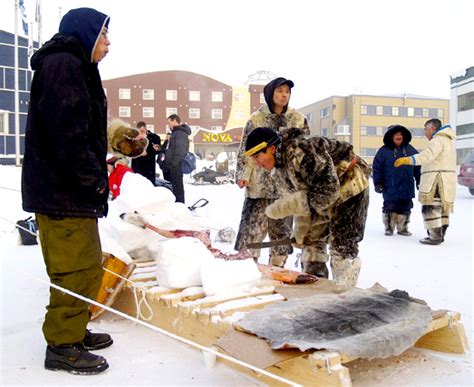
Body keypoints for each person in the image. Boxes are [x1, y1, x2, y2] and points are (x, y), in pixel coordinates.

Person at [21, 7, 114, 375]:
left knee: (87, 266)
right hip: (63, 193)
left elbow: (83, 127)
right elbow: (66, 134)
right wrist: (92, 177)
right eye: (104, 34)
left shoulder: (77, 66)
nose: (109, 42)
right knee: (73, 271)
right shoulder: (64, 65)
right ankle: (62, 346)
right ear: (86, 32)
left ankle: (74, 329)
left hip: (70, 192)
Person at [244, 127, 371, 293]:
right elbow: (303, 197)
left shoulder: (302, 152)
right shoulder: (280, 168)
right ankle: (316, 283)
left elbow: (327, 192)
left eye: (257, 156)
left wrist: (298, 206)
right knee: (310, 240)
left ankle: (345, 286)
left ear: (271, 149)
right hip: (321, 193)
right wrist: (301, 230)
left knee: (342, 242)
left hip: (350, 183)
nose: (255, 163)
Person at [234, 77, 310, 269]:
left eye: (287, 92)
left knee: (281, 235)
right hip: (259, 186)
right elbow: (245, 149)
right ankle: (244, 269)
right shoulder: (256, 119)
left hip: (285, 187)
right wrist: (243, 174)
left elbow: (305, 150)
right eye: (279, 91)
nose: (284, 95)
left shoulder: (298, 119)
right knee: (251, 232)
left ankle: (277, 270)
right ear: (270, 94)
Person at [394, 119, 456, 245]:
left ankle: (434, 237)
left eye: (425, 129)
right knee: (441, 209)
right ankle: (440, 234)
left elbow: (426, 156)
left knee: (431, 208)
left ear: (432, 128)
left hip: (436, 181)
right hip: (446, 182)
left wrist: (407, 160)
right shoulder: (448, 141)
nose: (424, 132)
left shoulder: (437, 140)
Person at [373, 125, 420, 236]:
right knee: (390, 206)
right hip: (390, 186)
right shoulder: (383, 151)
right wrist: (377, 183)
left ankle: (403, 228)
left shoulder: (410, 149)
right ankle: (389, 227)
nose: (399, 136)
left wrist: (419, 180)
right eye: (396, 134)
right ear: (391, 137)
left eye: (401, 134)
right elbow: (377, 168)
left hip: (407, 185)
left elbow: (418, 166)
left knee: (406, 206)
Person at [166, 114, 191, 203]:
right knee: (175, 186)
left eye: (169, 123)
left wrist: (174, 163)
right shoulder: (175, 133)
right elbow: (172, 148)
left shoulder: (180, 133)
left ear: (175, 121)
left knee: (178, 186)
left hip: (177, 164)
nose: (169, 125)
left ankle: (180, 205)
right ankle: (178, 204)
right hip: (174, 164)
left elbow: (181, 150)